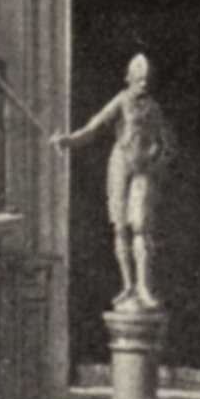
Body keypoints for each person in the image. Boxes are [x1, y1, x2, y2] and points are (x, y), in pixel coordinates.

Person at [64, 51, 175, 310]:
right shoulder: (122, 100)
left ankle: (144, 286)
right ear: (130, 77)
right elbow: (94, 127)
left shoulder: (153, 108)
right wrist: (68, 141)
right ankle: (127, 285)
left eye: (147, 78)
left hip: (143, 168)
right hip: (119, 165)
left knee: (141, 225)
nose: (143, 82)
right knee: (120, 226)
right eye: (139, 77)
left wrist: (156, 159)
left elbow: (168, 144)